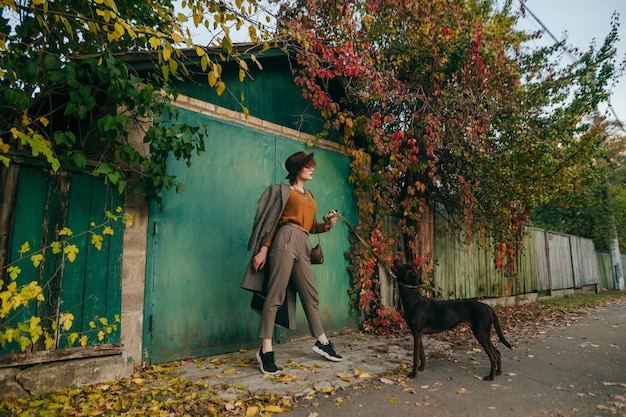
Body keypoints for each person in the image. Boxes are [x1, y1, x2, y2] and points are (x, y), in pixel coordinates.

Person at [240, 151, 341, 374]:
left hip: (303, 242)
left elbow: (310, 225)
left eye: (311, 165)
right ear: (297, 170)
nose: (312, 168)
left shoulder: (310, 195)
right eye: (308, 166)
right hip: (284, 240)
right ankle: (266, 350)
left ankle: (322, 342)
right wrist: (264, 249)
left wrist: (327, 225)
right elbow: (274, 223)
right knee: (275, 294)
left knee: (310, 294)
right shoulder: (284, 192)